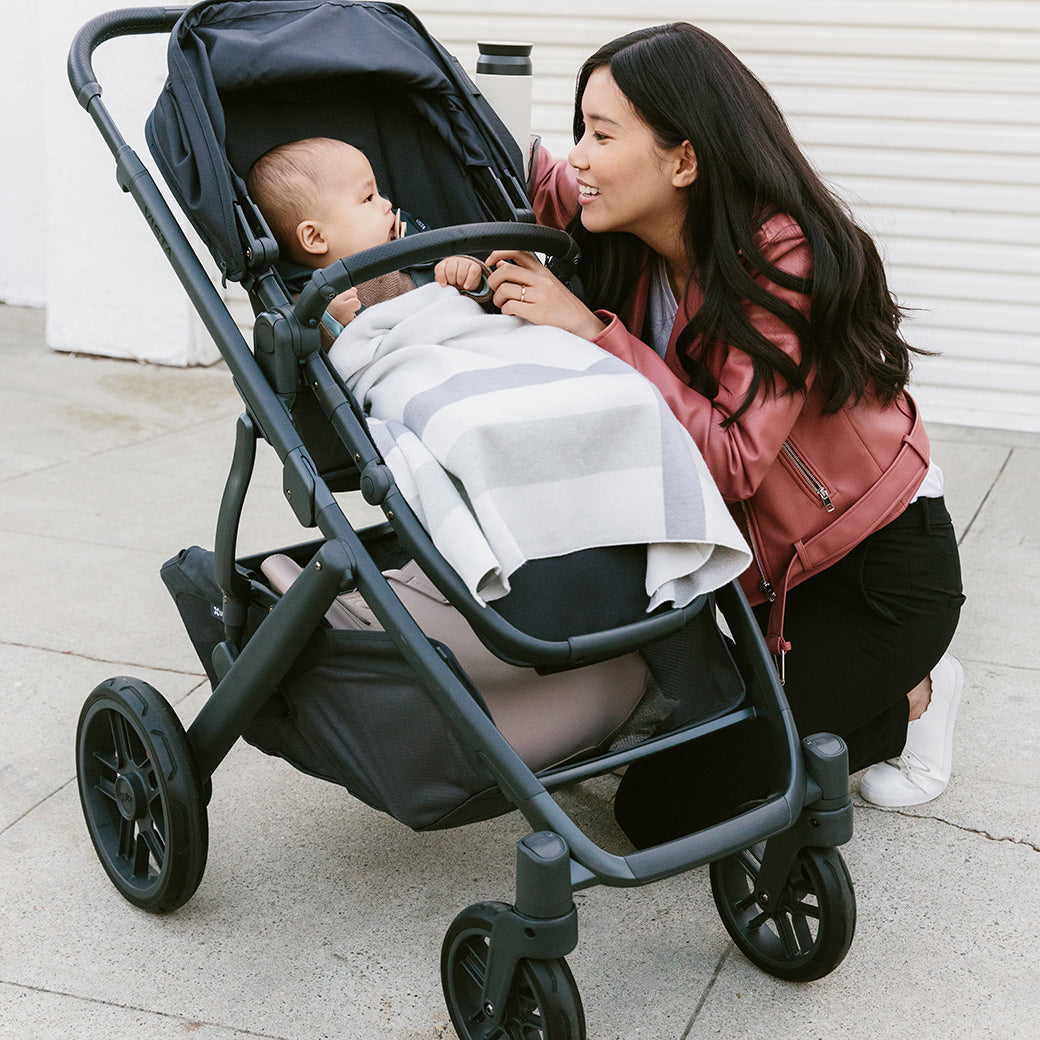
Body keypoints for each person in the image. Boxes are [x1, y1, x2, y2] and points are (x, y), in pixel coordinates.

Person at [484, 23, 965, 828]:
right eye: (580, 130)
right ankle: (829, 696)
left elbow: (736, 461)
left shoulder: (783, 255)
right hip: (762, 573)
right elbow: (511, 172)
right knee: (642, 744)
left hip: (875, 573)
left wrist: (592, 331)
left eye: (602, 135)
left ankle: (912, 696)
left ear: (683, 160)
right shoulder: (617, 208)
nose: (579, 157)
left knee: (658, 807)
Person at [246, 136, 491, 337]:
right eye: (368, 198)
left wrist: (470, 277)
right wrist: (327, 319)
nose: (387, 204)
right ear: (316, 237)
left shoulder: (417, 253)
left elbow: (481, 304)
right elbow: (315, 362)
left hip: (464, 338)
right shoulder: (312, 303)